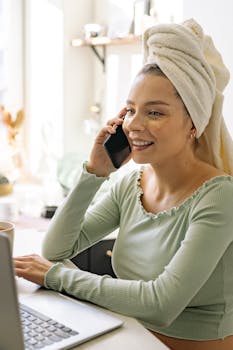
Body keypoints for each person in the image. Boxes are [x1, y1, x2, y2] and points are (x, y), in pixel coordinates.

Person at [14, 19, 233, 350]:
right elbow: (55, 250)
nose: (133, 125)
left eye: (155, 113)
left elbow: (161, 304)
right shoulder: (131, 184)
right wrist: (94, 172)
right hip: (127, 336)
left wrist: (53, 276)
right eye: (130, 110)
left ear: (193, 124)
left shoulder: (220, 197)